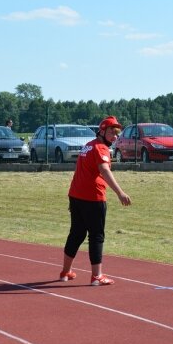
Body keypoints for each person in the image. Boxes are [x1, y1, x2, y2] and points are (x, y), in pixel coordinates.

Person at [59, 116, 132, 286]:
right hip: (93, 198)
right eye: (111, 132)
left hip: (76, 195)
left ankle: (65, 271)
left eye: (117, 133)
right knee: (96, 236)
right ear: (102, 131)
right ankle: (96, 276)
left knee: (76, 234)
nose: (114, 136)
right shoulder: (100, 148)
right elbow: (104, 170)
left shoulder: (89, 145)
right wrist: (120, 192)